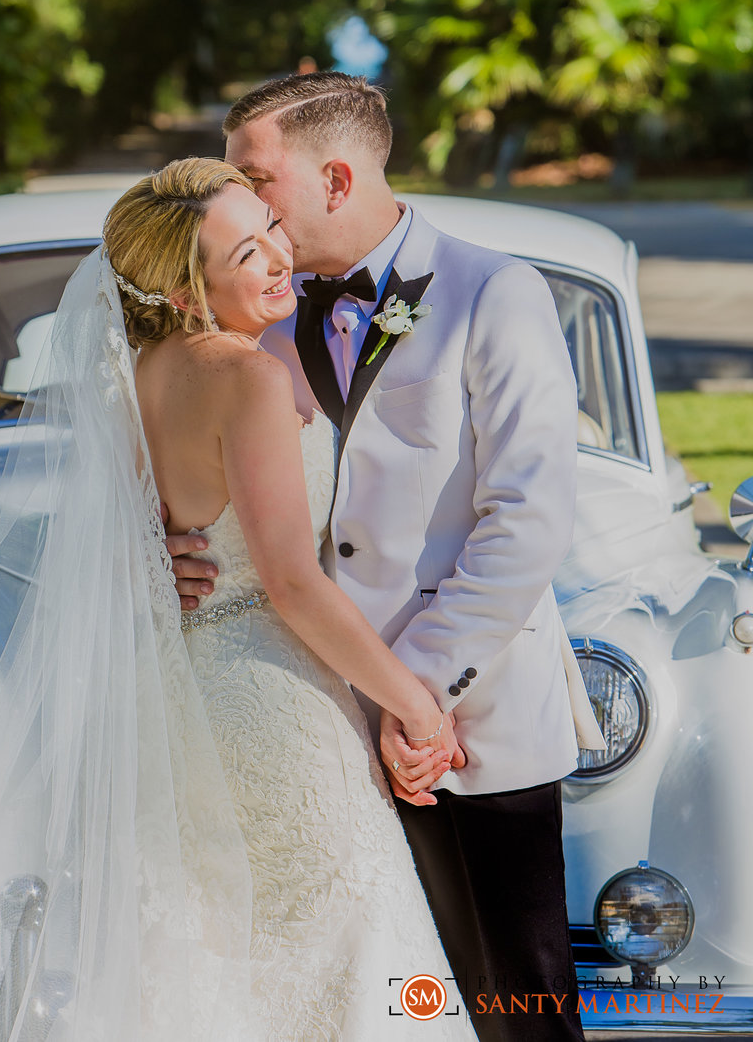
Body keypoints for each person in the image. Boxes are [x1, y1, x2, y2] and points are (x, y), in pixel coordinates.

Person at [0, 159, 474, 1042]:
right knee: (339, 950)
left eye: (269, 228)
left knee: (219, 970)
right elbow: (293, 583)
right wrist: (419, 705)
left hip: (181, 696)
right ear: (190, 292)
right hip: (276, 711)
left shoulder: (142, 376)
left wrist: (160, 560)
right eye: (247, 252)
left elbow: (133, 531)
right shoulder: (252, 381)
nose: (279, 256)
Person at [168, 73, 604, 1042]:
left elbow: (526, 518)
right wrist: (174, 540)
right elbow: (209, 467)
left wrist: (418, 694)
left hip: (474, 720)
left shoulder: (494, 293)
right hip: (320, 734)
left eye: (255, 177)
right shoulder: (255, 310)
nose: (239, 201)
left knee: (517, 1007)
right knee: (388, 1004)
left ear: (332, 178)